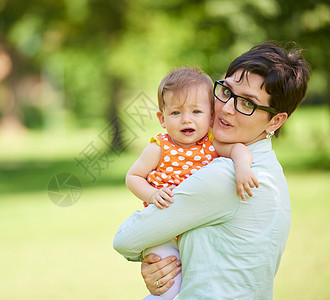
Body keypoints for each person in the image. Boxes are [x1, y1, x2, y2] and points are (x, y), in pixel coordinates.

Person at [113, 41, 311, 299]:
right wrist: (162, 266)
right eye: (226, 91)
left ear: (275, 120)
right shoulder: (271, 169)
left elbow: (125, 239)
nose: (226, 108)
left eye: (248, 104)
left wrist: (148, 255)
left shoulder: (226, 176)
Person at [125, 67, 259, 299]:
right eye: (176, 113)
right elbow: (133, 176)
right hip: (164, 232)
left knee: (196, 285)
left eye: (196, 111)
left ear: (210, 116)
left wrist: (243, 168)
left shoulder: (212, 144)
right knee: (168, 288)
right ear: (162, 119)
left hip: (196, 233)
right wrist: (151, 194)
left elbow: (238, 149)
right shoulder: (159, 147)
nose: (186, 119)